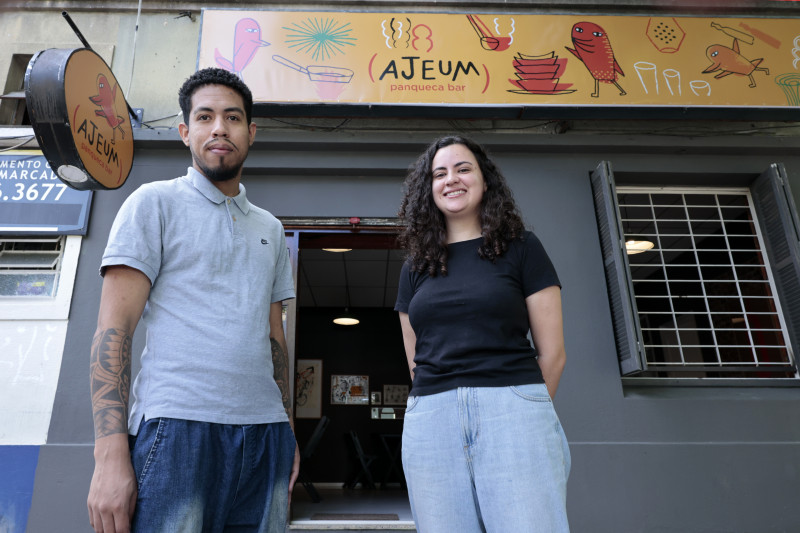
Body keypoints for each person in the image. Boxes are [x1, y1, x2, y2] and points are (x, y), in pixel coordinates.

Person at [87, 67, 299, 533]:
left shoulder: (271, 227)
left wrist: (287, 430)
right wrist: (109, 455)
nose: (220, 127)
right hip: (176, 431)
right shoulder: (153, 203)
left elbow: (274, 338)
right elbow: (112, 332)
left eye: (233, 117)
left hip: (266, 436)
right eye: (205, 117)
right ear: (185, 132)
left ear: (251, 132)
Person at [394, 135, 571, 532]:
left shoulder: (522, 247)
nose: (451, 179)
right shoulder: (414, 266)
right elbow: (414, 358)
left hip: (512, 410)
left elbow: (553, 353)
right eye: (439, 173)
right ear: (429, 189)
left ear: (485, 180)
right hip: (431, 419)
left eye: (463, 168)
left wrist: (521, 410)